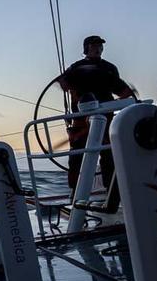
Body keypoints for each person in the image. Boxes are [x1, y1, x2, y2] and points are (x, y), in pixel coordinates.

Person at [57, 35, 135, 191]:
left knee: (109, 155)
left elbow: (123, 91)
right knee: (77, 155)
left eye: (100, 46)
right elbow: (63, 83)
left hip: (106, 117)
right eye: (94, 45)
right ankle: (75, 192)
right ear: (86, 48)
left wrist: (122, 99)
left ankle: (111, 192)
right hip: (81, 120)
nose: (98, 48)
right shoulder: (76, 67)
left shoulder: (110, 68)